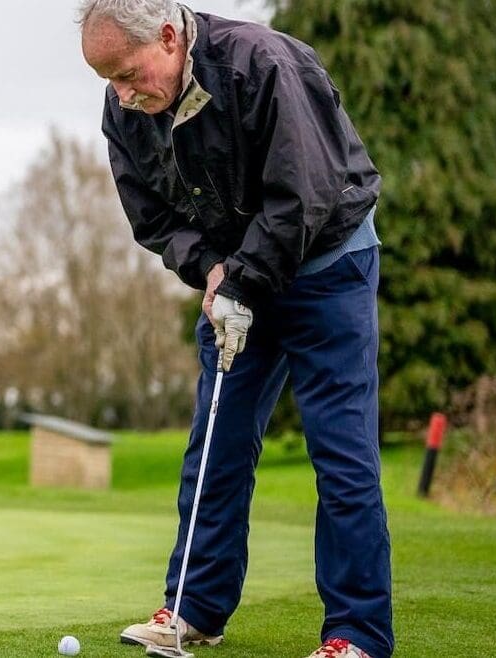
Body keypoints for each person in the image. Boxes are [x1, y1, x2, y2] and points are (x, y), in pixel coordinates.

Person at [78, 1, 391, 657]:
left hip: (329, 264)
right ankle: (194, 610)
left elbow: (304, 192)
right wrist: (213, 271)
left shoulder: (262, 64)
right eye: (108, 80)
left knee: (341, 454)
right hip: (235, 277)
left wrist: (240, 281)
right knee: (215, 445)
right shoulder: (125, 107)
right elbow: (152, 217)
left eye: (128, 74)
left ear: (169, 37)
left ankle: (356, 633)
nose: (122, 95)